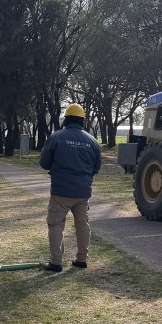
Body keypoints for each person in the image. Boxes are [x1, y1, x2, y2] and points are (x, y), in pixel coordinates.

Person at [39, 103, 101, 272]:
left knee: (56, 224)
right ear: (82, 120)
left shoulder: (56, 137)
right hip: (83, 192)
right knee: (82, 224)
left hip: (61, 191)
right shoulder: (92, 141)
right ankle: (81, 259)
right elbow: (96, 168)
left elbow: (44, 163)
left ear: (66, 119)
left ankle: (56, 262)